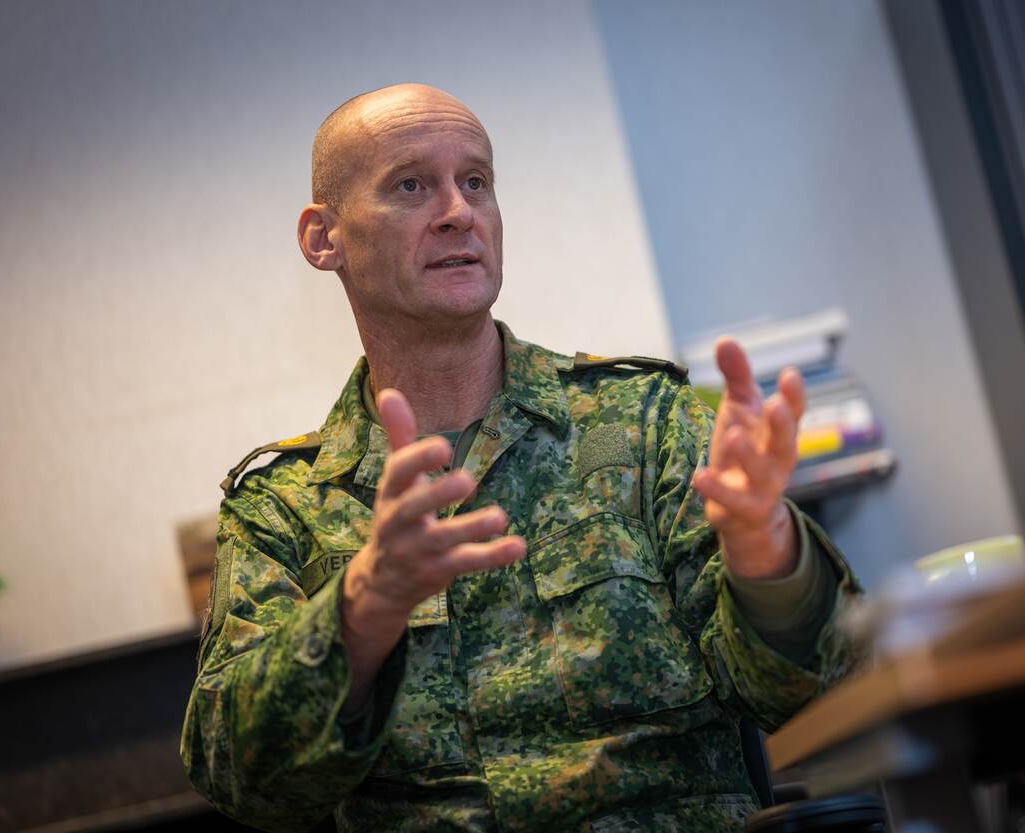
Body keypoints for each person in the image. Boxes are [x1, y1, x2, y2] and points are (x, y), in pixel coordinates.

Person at [181, 83, 861, 833]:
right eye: (411, 186)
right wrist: (363, 607)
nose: (458, 211)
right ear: (323, 238)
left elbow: (811, 689)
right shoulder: (282, 508)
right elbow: (246, 783)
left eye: (476, 181)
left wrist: (767, 553)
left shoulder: (642, 423)